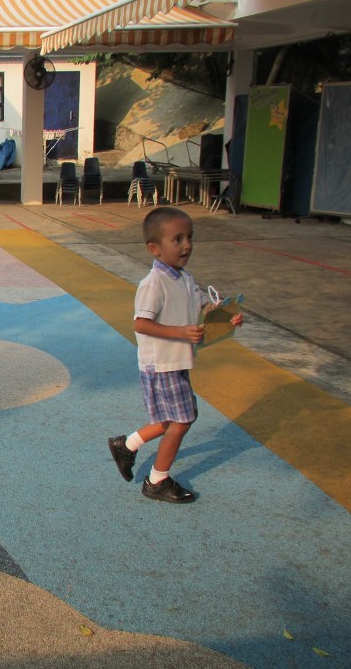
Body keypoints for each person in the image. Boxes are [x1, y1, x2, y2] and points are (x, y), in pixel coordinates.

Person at [108, 207, 243, 503]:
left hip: (177, 360)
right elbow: (140, 323)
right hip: (161, 363)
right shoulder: (153, 283)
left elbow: (203, 308)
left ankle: (126, 445)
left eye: (189, 237)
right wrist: (181, 332)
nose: (187, 245)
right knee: (181, 421)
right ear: (154, 249)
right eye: (177, 239)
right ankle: (157, 481)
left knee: (171, 419)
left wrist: (226, 316)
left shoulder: (184, 278)